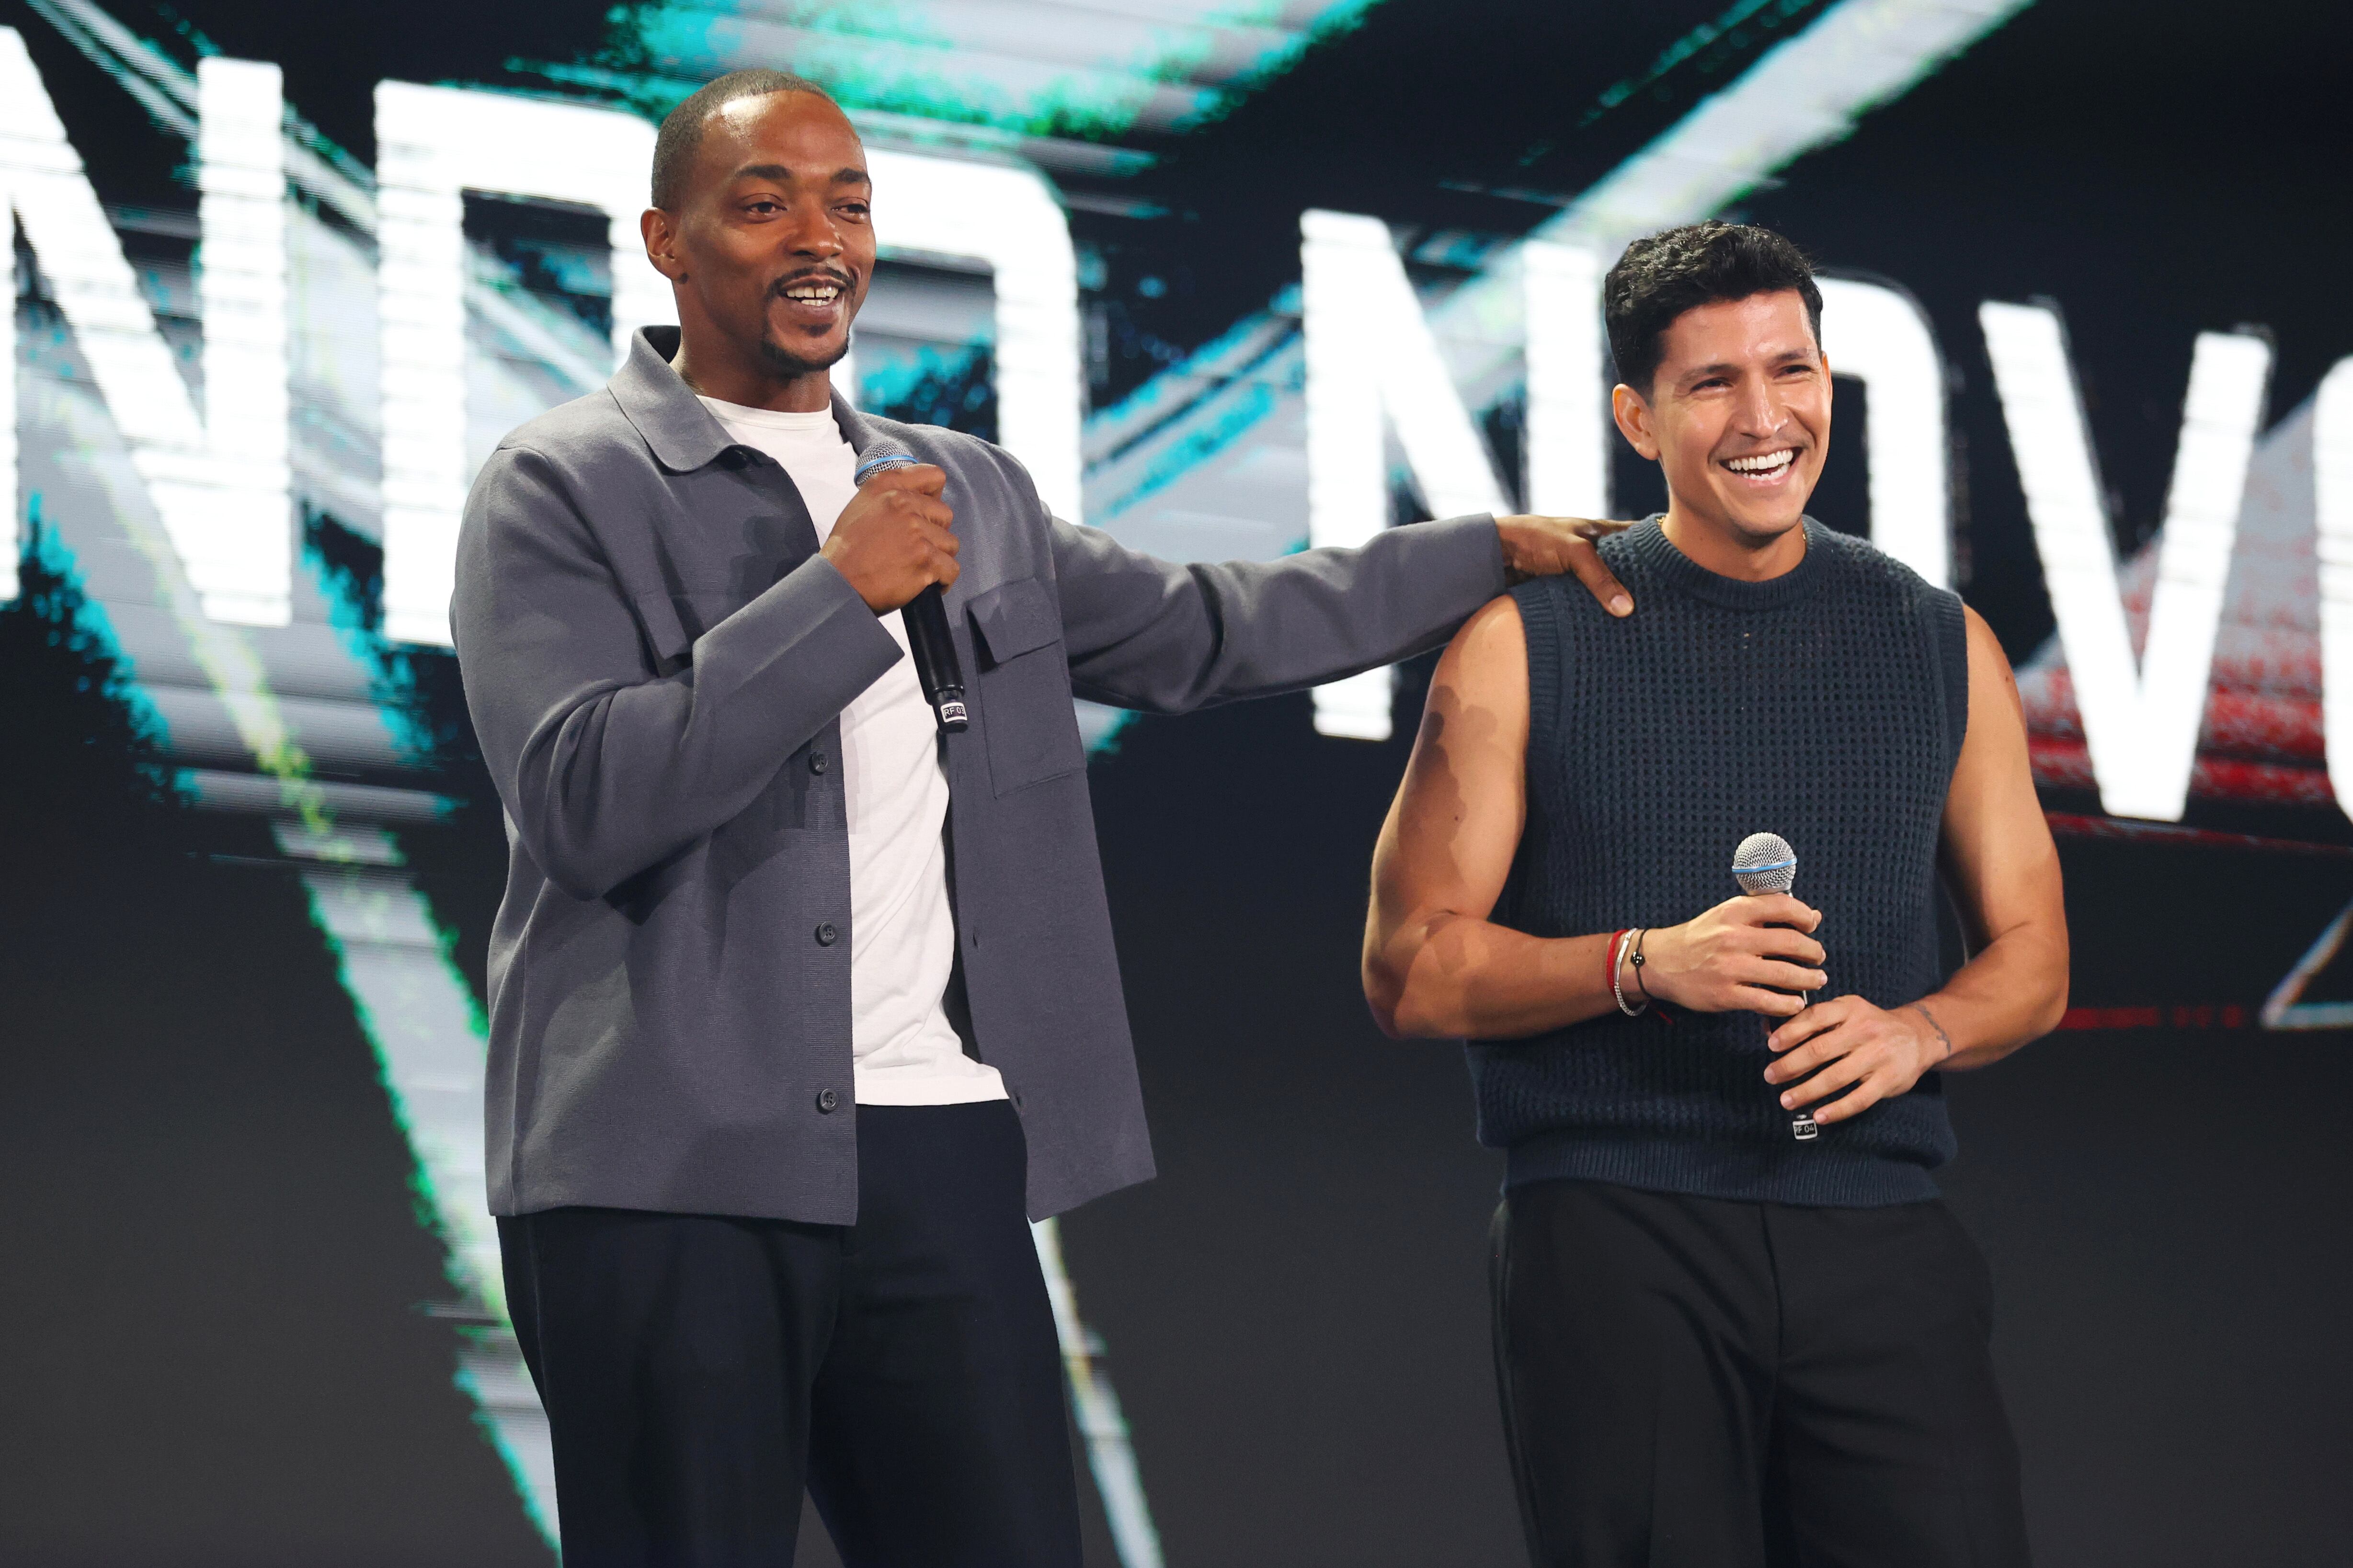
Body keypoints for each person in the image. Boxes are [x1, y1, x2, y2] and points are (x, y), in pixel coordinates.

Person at [451, 68, 1633, 1567]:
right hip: (666, 1166)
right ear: (668, 243)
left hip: (940, 1153)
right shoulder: (561, 483)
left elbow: (1206, 626)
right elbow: (581, 797)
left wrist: (1474, 554)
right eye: (764, 203)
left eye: (851, 201)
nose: (821, 235)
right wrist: (832, 596)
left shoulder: (965, 490)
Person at [1363, 220, 2068, 1566]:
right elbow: (1408, 969)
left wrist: (1918, 1029)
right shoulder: (1528, 641)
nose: (1766, 418)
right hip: (1619, 1233)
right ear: (1638, 414)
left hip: (1879, 1230)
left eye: (1790, 371)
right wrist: (1639, 962)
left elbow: (2034, 952)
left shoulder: (1937, 639)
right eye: (1713, 384)